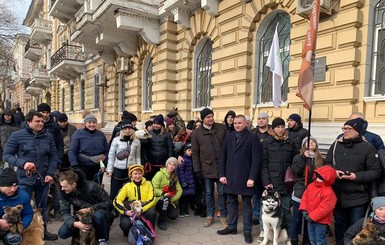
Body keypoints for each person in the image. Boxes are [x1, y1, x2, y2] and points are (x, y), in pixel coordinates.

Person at [324, 118, 381, 245]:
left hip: (358, 197)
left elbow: (375, 171)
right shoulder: (336, 145)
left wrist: (356, 176)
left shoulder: (368, 148)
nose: (345, 131)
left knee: (356, 227)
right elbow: (327, 163)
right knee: (339, 226)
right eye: (344, 128)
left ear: (358, 131)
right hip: (337, 195)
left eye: (348, 129)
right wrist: (334, 172)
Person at [3, 111, 59, 241]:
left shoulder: (48, 136)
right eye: (37, 121)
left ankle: (43, 231)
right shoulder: (17, 136)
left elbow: (54, 157)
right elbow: (7, 155)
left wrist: (50, 173)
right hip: (24, 178)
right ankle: (21, 233)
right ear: (29, 122)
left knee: (42, 207)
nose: (41, 123)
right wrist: (23, 163)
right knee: (22, 206)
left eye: (42, 121)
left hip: (43, 178)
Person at [217, 115, 262, 244]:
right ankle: (232, 227)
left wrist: (252, 177)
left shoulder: (253, 138)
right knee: (231, 203)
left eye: (240, 123)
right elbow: (223, 157)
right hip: (230, 177)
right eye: (235, 123)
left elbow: (256, 160)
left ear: (246, 124)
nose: (237, 125)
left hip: (246, 178)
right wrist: (222, 174)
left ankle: (247, 231)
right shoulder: (229, 137)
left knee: (247, 205)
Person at [191, 107, 228, 227]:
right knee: (208, 192)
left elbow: (228, 146)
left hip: (222, 167)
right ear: (203, 119)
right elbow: (195, 153)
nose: (211, 118)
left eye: (212, 116)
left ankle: (223, 215)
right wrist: (197, 169)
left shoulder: (221, 128)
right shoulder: (196, 133)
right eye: (208, 117)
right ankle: (210, 215)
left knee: (222, 192)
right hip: (207, 168)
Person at [260, 117, 296, 238]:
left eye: (282, 127)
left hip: (286, 182)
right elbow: (263, 163)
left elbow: (294, 161)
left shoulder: (290, 141)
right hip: (272, 181)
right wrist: (266, 181)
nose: (280, 130)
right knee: (267, 209)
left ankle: (289, 234)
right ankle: (263, 232)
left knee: (285, 209)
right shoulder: (267, 142)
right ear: (273, 129)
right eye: (277, 127)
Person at [58, 169, 112, 245]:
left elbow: (108, 202)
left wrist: (92, 208)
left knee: (99, 216)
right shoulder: (65, 193)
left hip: (97, 212)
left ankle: (102, 239)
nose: (62, 189)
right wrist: (75, 223)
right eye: (61, 186)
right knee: (63, 233)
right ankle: (80, 236)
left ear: (74, 184)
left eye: (65, 186)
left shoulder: (92, 186)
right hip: (81, 216)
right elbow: (64, 212)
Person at [291, 136, 324, 245]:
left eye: (313, 141)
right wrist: (304, 158)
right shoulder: (298, 157)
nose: (311, 143)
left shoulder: (320, 159)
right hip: (301, 191)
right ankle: (294, 239)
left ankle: (307, 240)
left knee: (309, 218)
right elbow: (297, 170)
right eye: (308, 142)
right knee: (297, 218)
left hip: (315, 193)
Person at [113, 164, 157, 236]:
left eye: (140, 173)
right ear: (131, 175)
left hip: (144, 209)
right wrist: (125, 212)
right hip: (131, 211)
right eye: (135, 174)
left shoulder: (149, 183)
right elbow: (116, 201)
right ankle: (129, 233)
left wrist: (141, 209)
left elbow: (152, 199)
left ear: (142, 174)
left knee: (152, 212)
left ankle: (149, 233)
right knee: (125, 224)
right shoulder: (127, 185)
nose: (138, 176)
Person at [299, 165, 337, 245]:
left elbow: (324, 208)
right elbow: (305, 198)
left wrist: (311, 216)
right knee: (312, 240)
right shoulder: (311, 186)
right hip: (309, 218)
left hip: (321, 222)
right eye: (317, 176)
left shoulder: (329, 192)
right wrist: (304, 210)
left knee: (320, 241)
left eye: (321, 178)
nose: (317, 179)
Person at [107, 119, 141, 201]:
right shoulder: (116, 140)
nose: (127, 131)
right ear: (122, 130)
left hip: (130, 170)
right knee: (114, 193)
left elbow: (137, 156)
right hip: (117, 170)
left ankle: (125, 211)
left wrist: (139, 169)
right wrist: (110, 169)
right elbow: (111, 155)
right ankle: (112, 210)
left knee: (128, 193)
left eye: (129, 129)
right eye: (125, 129)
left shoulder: (136, 142)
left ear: (132, 129)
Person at [68, 113, 109, 181]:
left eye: (94, 122)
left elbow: (106, 151)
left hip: (98, 167)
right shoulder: (78, 134)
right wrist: (75, 166)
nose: (92, 124)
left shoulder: (101, 135)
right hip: (83, 166)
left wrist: (104, 164)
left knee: (96, 188)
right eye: (89, 122)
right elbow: (72, 151)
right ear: (85, 123)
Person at [0, 168, 33, 245]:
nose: (13, 189)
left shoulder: (23, 196)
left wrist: (22, 226)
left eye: (15, 186)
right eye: (9, 186)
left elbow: (28, 214)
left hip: (12, 227)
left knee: (14, 239)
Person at [251, 112, 271, 225]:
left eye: (263, 118)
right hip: (255, 167)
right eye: (259, 119)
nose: (261, 120)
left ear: (267, 120)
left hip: (268, 167)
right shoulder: (252, 133)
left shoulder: (272, 133)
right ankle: (256, 215)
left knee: (268, 194)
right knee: (256, 193)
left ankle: (267, 215)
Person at [152, 157, 182, 230]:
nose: (171, 166)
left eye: (174, 165)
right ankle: (161, 221)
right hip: (157, 198)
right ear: (166, 165)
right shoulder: (159, 174)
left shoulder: (174, 177)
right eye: (170, 164)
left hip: (168, 199)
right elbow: (153, 189)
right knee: (165, 200)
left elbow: (180, 190)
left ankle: (163, 210)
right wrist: (163, 194)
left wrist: (172, 199)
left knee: (173, 215)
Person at [144, 114, 173, 180]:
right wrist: (146, 160)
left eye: (158, 124)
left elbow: (170, 148)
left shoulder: (166, 134)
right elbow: (145, 148)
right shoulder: (149, 133)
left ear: (161, 125)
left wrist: (169, 161)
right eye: (154, 123)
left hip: (163, 162)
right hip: (151, 162)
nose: (155, 125)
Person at [176, 143, 196, 217]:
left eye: (191, 150)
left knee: (188, 196)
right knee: (182, 197)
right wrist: (183, 181)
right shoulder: (182, 160)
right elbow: (180, 172)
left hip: (190, 181)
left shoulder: (192, 159)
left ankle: (186, 210)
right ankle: (181, 211)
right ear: (185, 151)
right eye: (189, 150)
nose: (190, 152)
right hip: (185, 181)